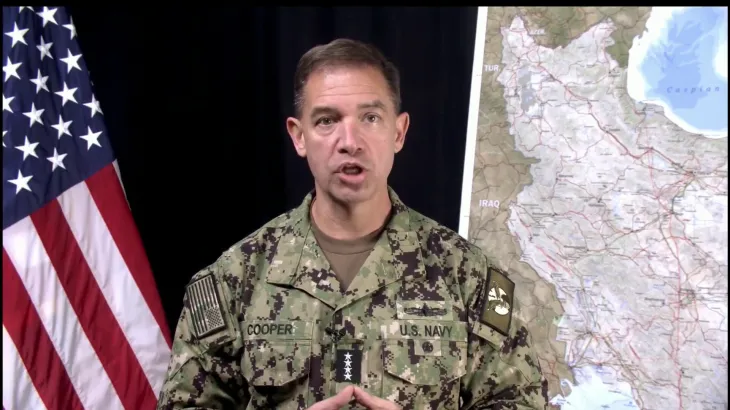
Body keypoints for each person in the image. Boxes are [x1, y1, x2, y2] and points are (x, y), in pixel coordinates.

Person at [156, 38, 549, 410]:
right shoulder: (233, 278)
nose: (350, 141)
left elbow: (518, 401)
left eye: (370, 118)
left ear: (398, 132)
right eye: (327, 120)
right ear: (299, 136)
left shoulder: (468, 276)